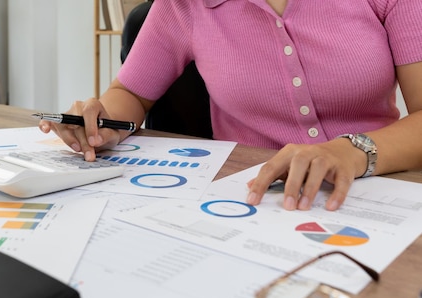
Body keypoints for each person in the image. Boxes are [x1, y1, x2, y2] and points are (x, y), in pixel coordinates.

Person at [38, 0, 422, 211]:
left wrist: (352, 152)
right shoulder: (184, 5)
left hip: (381, 188)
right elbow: (132, 93)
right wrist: (103, 121)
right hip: (254, 199)